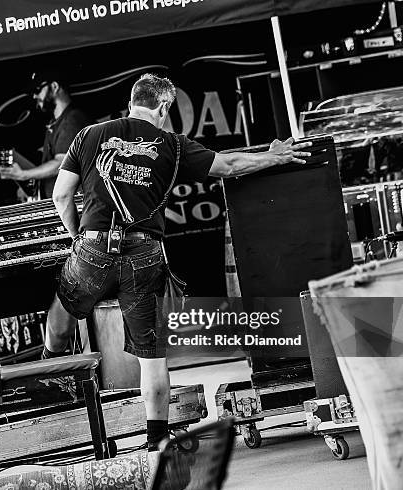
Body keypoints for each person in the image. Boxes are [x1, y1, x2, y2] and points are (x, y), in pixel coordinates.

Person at [45, 73, 311, 451]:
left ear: (132, 100)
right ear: (165, 107)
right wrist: (275, 155)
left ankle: (44, 384)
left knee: (60, 318)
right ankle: (156, 442)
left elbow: (61, 195)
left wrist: (78, 239)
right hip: (144, 254)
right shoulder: (173, 145)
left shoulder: (88, 135)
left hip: (94, 248)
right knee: (152, 357)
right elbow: (230, 165)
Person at [0, 70, 92, 199]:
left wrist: (24, 174)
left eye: (37, 90)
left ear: (54, 87)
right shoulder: (55, 123)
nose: (34, 96)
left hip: (76, 207)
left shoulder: (72, 119)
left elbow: (61, 163)